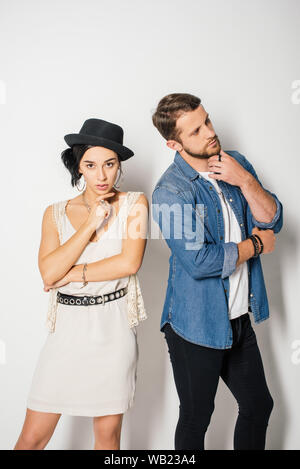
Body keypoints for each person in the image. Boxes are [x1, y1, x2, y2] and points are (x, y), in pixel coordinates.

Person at [151, 93, 283, 450]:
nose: (210, 132)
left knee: (258, 406)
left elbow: (273, 219)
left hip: (238, 318)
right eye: (196, 130)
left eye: (207, 120)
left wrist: (245, 181)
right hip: (195, 325)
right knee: (196, 419)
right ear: (174, 143)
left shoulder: (234, 163)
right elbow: (199, 262)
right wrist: (255, 246)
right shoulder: (170, 192)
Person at [14, 118, 148, 450]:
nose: (101, 176)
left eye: (110, 164)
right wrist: (90, 223)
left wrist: (72, 273)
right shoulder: (55, 213)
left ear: (119, 166)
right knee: (31, 439)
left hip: (113, 329)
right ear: (79, 166)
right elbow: (48, 274)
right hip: (66, 332)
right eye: (90, 165)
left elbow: (128, 263)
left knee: (106, 438)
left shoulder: (135, 204)